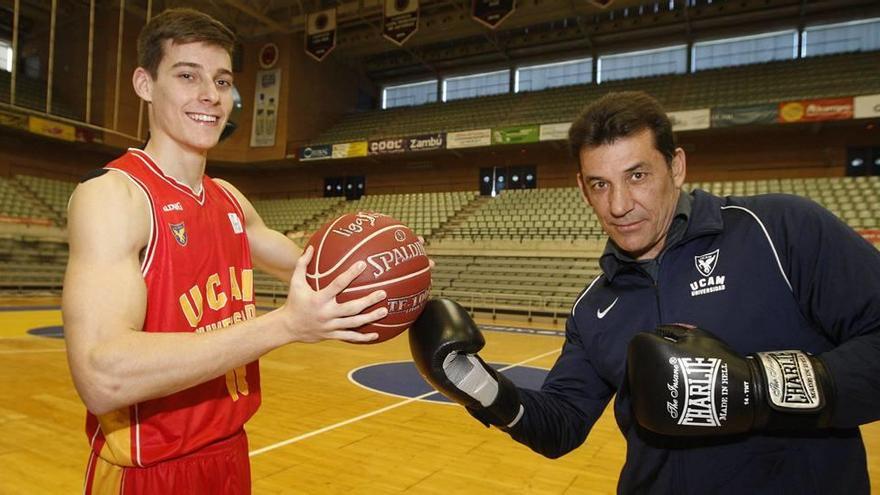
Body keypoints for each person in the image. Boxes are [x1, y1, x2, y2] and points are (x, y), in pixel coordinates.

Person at [410, 91, 880, 493]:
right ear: (582, 188)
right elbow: (560, 426)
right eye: (600, 184)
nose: (619, 205)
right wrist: (479, 387)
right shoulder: (595, 308)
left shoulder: (779, 230)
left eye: (637, 175)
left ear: (676, 166)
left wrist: (759, 388)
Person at [62, 9, 388, 493]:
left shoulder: (230, 200)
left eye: (221, 80)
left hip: (230, 455)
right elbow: (102, 375)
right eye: (187, 75)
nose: (211, 97)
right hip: (149, 472)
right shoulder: (116, 197)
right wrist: (284, 325)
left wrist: (397, 273)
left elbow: (317, 271)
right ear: (144, 84)